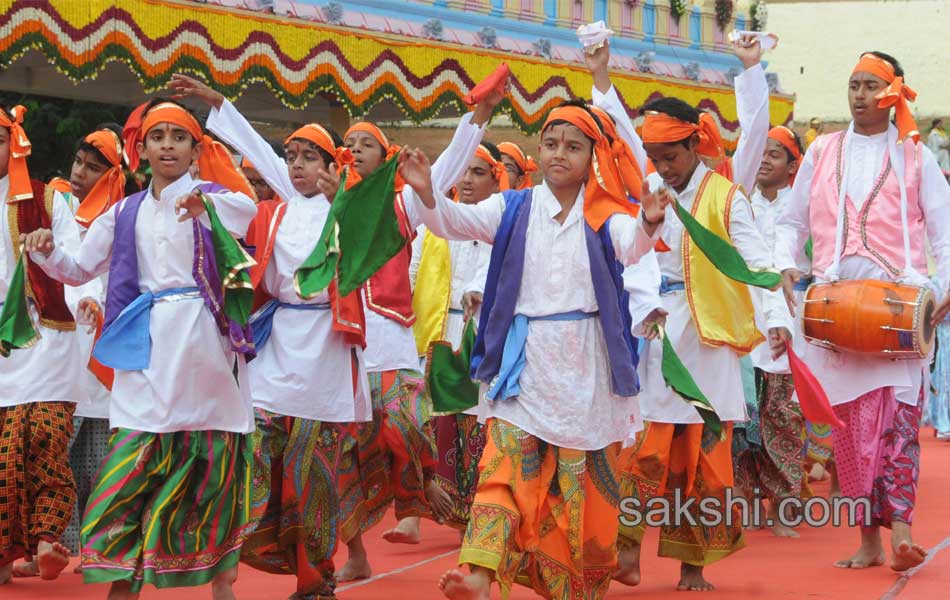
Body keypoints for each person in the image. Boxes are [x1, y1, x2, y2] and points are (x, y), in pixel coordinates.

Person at [402, 100, 664, 600]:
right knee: (501, 467)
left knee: (581, 498)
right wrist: (425, 192)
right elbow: (453, 222)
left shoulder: (605, 212)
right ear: (537, 151)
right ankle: (478, 571)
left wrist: (649, 223)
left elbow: (630, 245)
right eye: (549, 144)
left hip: (589, 369)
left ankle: (570, 583)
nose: (558, 154)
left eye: (572, 146)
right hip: (523, 365)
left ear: (594, 155)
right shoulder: (513, 206)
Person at [24, 98, 259, 599]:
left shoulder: (213, 194)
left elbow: (247, 212)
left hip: (203, 347)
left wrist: (206, 207)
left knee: (209, 464)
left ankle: (221, 579)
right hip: (146, 346)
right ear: (142, 149)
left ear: (197, 150)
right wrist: (46, 253)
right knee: (127, 466)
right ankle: (121, 583)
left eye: (179, 137)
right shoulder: (123, 212)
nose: (168, 145)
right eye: (158, 136)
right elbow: (79, 267)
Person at [169, 73, 374, 600]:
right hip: (276, 345)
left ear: (334, 166)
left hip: (326, 358)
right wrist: (220, 104)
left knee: (311, 477)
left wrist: (347, 197)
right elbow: (256, 152)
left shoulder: (350, 208)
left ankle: (314, 578)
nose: (298, 166)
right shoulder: (281, 205)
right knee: (254, 460)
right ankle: (228, 577)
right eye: (293, 156)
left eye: (311, 157)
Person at [775, 51, 950, 572]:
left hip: (897, 312)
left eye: (871, 85)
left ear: (894, 92)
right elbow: (790, 222)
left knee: (898, 428)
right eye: (853, 84)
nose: (859, 94)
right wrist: (786, 264)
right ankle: (868, 542)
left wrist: (943, 291)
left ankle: (901, 534)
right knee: (850, 435)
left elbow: (944, 232)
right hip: (836, 310)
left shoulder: (916, 156)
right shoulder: (822, 151)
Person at [612, 96, 792, 592]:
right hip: (662, 333)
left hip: (711, 343)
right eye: (655, 155)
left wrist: (777, 318)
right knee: (648, 450)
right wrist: (646, 307)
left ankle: (694, 565)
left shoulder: (727, 196)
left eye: (671, 154)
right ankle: (626, 543)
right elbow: (637, 258)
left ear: (695, 143)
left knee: (705, 458)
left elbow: (756, 264)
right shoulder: (650, 190)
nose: (663, 166)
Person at [0, 105, 83, 584]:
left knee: (43, 440)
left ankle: (47, 538)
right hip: (5, 352)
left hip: (50, 340)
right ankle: (12, 550)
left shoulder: (50, 200)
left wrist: (89, 303)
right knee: (6, 451)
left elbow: (80, 263)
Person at [411, 141, 507, 531]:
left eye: (478, 172)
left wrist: (478, 291)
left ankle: (472, 508)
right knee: (432, 420)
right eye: (464, 172)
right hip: (436, 330)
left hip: (480, 331)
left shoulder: (501, 222)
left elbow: (499, 267)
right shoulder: (434, 223)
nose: (467, 180)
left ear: (495, 180)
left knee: (474, 422)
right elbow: (414, 270)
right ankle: (421, 511)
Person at [736, 125, 809, 537]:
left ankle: (784, 505)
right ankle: (744, 502)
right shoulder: (739, 202)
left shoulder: (800, 210)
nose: (764, 160)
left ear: (791, 165)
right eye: (760, 152)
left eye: (775, 154)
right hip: (741, 317)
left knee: (781, 415)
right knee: (741, 414)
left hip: (785, 316)